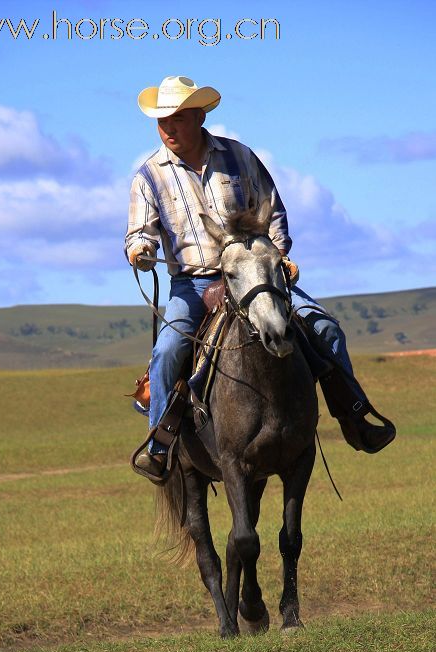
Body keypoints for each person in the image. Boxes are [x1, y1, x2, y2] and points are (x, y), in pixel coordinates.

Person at [125, 76, 395, 479]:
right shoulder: (149, 175)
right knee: (167, 351)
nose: (168, 128)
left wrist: (280, 254)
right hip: (194, 283)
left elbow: (273, 210)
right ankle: (159, 444)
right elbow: (139, 232)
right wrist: (140, 250)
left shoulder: (240, 157)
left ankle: (354, 417)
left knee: (325, 328)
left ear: (199, 116)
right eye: (161, 120)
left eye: (177, 118)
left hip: (257, 274)